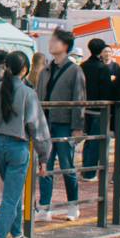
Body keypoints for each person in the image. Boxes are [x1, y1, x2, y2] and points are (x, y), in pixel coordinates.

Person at [0, 51, 49, 238]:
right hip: (18, 146)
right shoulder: (28, 93)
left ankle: (17, 233)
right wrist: (44, 156)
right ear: (25, 70)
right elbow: (37, 127)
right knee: (10, 197)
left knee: (12, 192)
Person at [34, 31, 85, 222]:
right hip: (46, 123)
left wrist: (77, 126)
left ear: (65, 45)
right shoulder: (45, 70)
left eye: (55, 41)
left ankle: (73, 204)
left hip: (63, 123)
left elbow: (79, 99)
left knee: (66, 165)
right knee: (44, 165)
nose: (51, 43)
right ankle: (44, 207)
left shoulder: (74, 70)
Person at [79, 39, 115, 183]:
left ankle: (86, 169)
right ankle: (90, 172)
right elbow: (107, 90)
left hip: (85, 107)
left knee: (88, 141)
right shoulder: (103, 68)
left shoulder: (83, 66)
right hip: (99, 109)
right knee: (95, 141)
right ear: (101, 51)